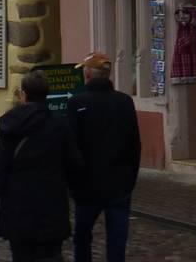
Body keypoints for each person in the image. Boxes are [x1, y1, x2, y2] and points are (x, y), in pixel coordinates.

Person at [0, 69, 82, 261]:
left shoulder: (11, 123)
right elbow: (74, 164)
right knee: (51, 255)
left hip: (17, 205)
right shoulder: (59, 124)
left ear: (24, 94)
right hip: (51, 205)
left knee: (22, 255)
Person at [68, 51, 142, 262]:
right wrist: (129, 180)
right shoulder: (124, 101)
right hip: (119, 184)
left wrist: (73, 182)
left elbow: (72, 146)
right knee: (117, 241)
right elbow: (134, 146)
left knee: (82, 238)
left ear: (87, 74)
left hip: (86, 185)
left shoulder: (77, 102)